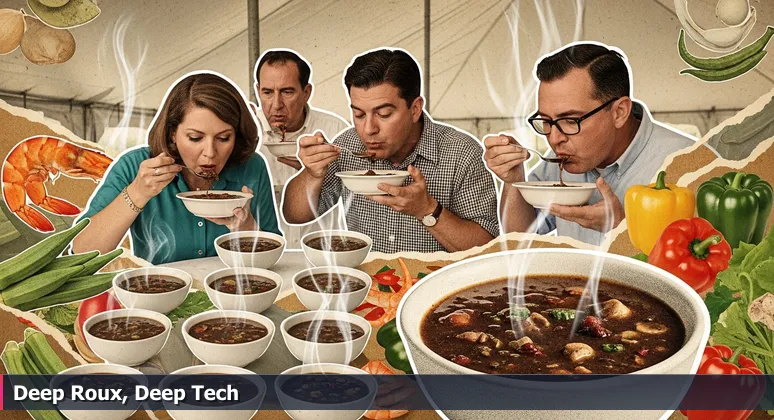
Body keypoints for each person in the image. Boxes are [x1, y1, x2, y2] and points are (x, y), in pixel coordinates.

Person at [282, 48, 499, 253]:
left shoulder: (461, 153)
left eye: (384, 114)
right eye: (358, 115)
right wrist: (311, 174)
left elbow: (486, 249)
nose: (368, 129)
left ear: (414, 109)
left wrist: (426, 209)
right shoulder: (347, 145)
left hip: (436, 287)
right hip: (367, 285)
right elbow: (295, 215)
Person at [483, 42, 696, 245]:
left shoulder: (692, 165)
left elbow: (706, 274)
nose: (555, 138)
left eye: (571, 120)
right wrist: (513, 179)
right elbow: (521, 238)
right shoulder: (561, 159)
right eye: (546, 121)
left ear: (619, 112)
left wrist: (619, 228)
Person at [72, 71, 281, 264]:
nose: (210, 152)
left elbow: (273, 253)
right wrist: (137, 193)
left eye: (223, 138)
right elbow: (82, 253)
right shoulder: (134, 166)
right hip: (161, 297)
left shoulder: (252, 167)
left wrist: (245, 227)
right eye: (195, 138)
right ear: (173, 133)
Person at [252, 49, 349, 248]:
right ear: (257, 90)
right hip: (264, 249)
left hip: (322, 250)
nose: (276, 104)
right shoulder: (246, 132)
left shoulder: (335, 130)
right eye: (267, 92)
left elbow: (352, 192)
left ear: (306, 92)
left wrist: (318, 172)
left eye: (287, 92)